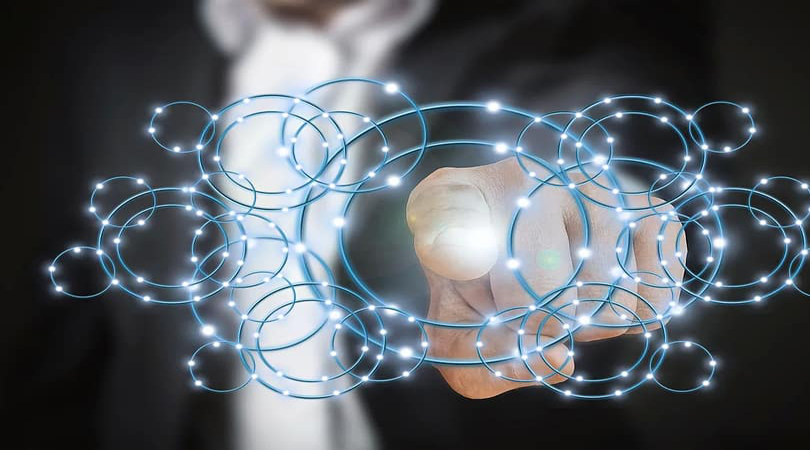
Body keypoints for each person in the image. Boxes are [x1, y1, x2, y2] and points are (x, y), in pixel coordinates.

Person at [11, 1, 713, 448]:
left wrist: (590, 218)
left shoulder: (571, 23)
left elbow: (609, 138)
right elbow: (71, 316)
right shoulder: (102, 34)